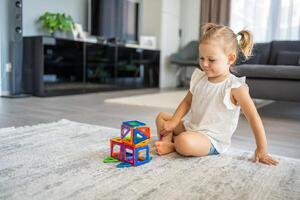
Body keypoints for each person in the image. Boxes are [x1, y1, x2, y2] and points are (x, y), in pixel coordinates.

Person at [154, 23, 278, 166]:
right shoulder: (199, 78)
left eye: (211, 60)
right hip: (192, 128)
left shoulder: (235, 87)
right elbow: (187, 102)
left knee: (184, 141)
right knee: (162, 117)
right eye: (201, 58)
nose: (205, 64)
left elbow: (253, 118)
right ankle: (166, 141)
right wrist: (174, 121)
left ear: (230, 59)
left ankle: (173, 146)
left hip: (211, 140)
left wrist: (262, 148)